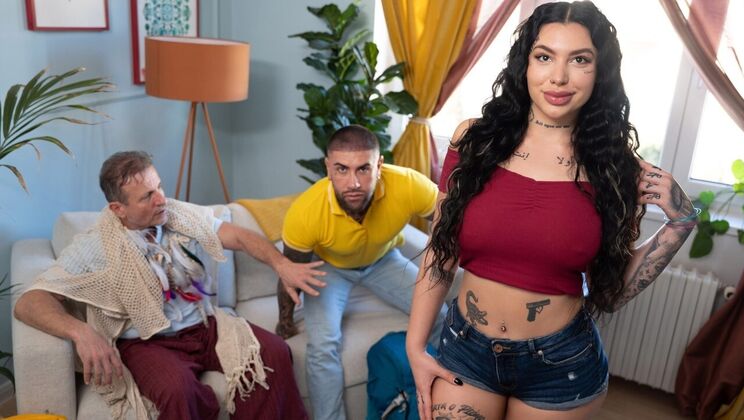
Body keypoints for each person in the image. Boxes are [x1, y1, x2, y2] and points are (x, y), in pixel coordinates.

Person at [406, 2, 698, 420]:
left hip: (561, 366)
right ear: (524, 64)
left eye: (579, 60)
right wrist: (415, 346)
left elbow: (610, 294)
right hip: (467, 351)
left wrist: (681, 223)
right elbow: (441, 249)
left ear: (599, 71)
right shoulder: (474, 141)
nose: (558, 77)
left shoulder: (615, 167)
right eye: (544, 56)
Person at [13, 151, 325, 420]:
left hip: (205, 326)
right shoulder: (95, 246)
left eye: (159, 186)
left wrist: (282, 264)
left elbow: (238, 236)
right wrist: (81, 332)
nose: (162, 199)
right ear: (118, 209)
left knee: (273, 353)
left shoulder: (179, 215)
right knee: (177, 391)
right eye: (147, 196)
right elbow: (29, 302)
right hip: (147, 342)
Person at [276, 124, 448, 420]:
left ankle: (451, 399)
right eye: (342, 169)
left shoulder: (407, 184)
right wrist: (285, 322)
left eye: (363, 169)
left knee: (440, 314)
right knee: (322, 345)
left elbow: (450, 217)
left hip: (383, 260)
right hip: (330, 268)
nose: (353, 183)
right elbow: (290, 273)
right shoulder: (306, 212)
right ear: (328, 168)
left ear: (379, 166)